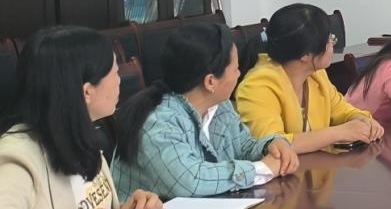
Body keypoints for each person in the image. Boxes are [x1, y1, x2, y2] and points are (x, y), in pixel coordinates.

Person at [0, 27, 162, 209]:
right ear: (87, 91)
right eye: (115, 73)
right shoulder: (17, 156)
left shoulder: (83, 135)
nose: (120, 81)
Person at [112, 23, 299, 199]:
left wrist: (272, 145)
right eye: (235, 69)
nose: (239, 74)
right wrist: (261, 169)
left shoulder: (220, 106)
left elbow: (244, 147)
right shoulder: (159, 122)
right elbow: (189, 181)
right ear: (210, 82)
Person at [236, 4, 384, 153]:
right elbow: (271, 145)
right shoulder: (257, 87)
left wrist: (361, 120)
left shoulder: (315, 75)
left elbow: (341, 110)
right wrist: (340, 132)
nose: (332, 43)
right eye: (329, 39)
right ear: (305, 54)